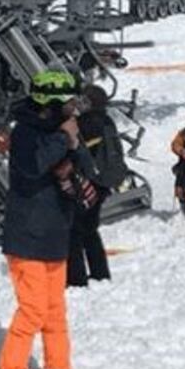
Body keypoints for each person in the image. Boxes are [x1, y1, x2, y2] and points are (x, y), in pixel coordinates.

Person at [0, 70, 95, 369]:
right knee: (34, 309)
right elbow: (33, 165)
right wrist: (63, 140)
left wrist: (75, 144)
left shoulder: (61, 131)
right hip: (26, 237)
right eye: (67, 103)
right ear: (50, 105)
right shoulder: (25, 132)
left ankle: (60, 368)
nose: (72, 110)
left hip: (55, 235)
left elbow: (87, 167)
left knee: (55, 311)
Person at [66, 84, 128, 287]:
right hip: (103, 182)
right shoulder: (106, 120)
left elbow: (78, 152)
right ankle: (100, 273)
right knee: (89, 230)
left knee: (74, 230)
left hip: (89, 182)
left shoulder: (87, 123)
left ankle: (76, 279)